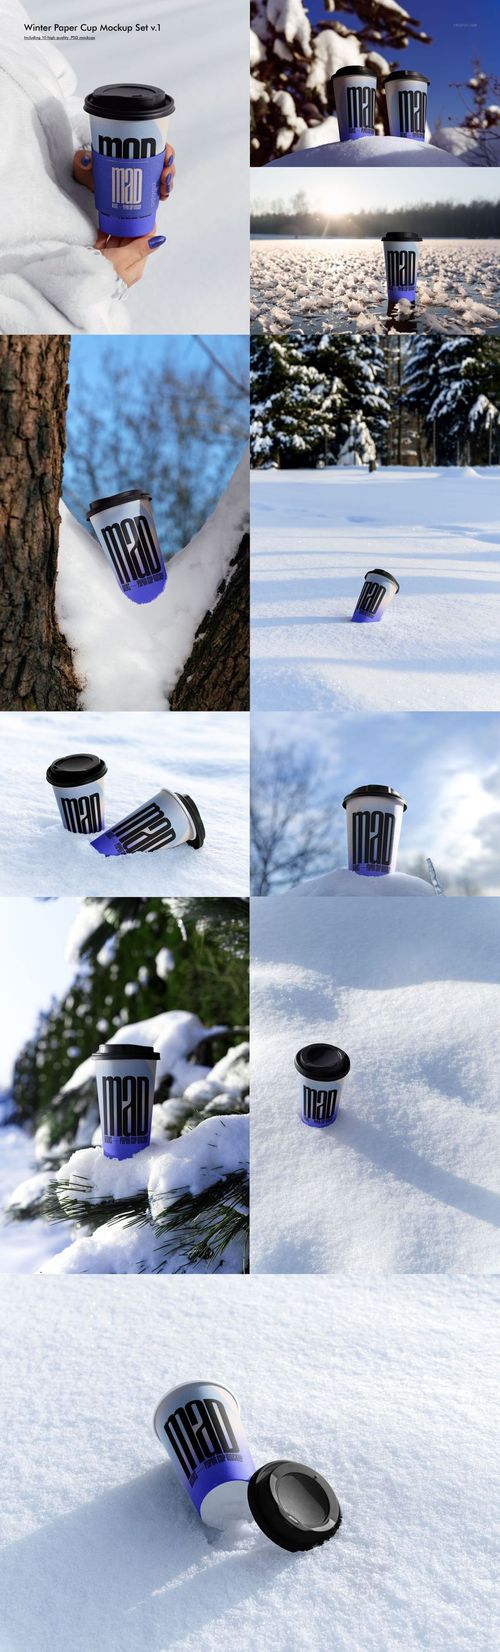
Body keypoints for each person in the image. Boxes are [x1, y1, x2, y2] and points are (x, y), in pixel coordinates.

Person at [0, 0, 174, 333]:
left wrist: (93, 153)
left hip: (99, 271)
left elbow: (53, 98)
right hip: (65, 312)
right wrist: (80, 293)